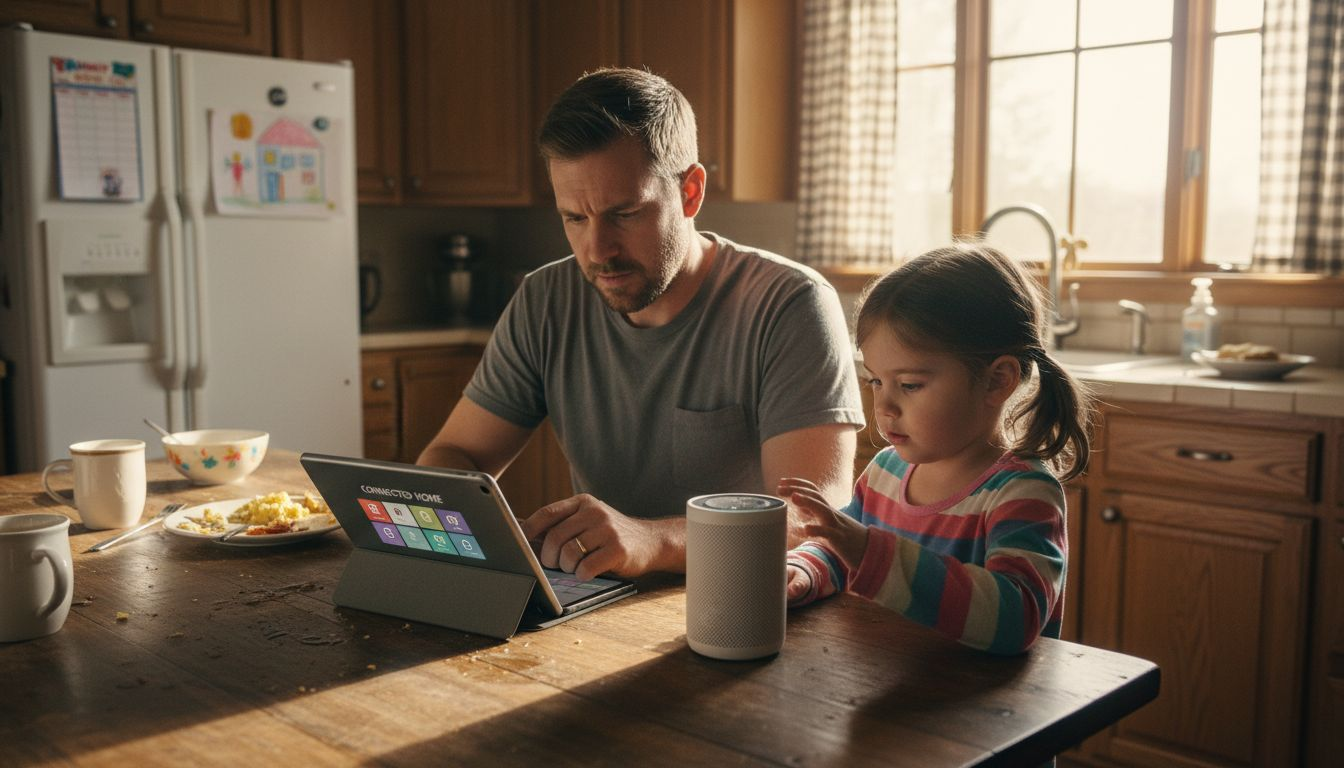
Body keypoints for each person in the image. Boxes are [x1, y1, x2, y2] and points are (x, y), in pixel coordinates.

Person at [417, 67, 864, 581]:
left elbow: (812, 519)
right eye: (574, 219)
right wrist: (466, 520)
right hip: (596, 601)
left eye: (624, 214)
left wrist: (650, 540)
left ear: (691, 192)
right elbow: (458, 452)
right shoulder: (545, 299)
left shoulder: (789, 304)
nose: (598, 251)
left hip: (744, 603)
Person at [780, 244, 1093, 655]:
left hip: (983, 712)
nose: (885, 406)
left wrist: (869, 551)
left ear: (997, 381)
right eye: (876, 382)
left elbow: (1015, 618)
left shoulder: (1023, 494)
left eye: (909, 385)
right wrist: (802, 569)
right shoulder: (885, 472)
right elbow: (843, 552)